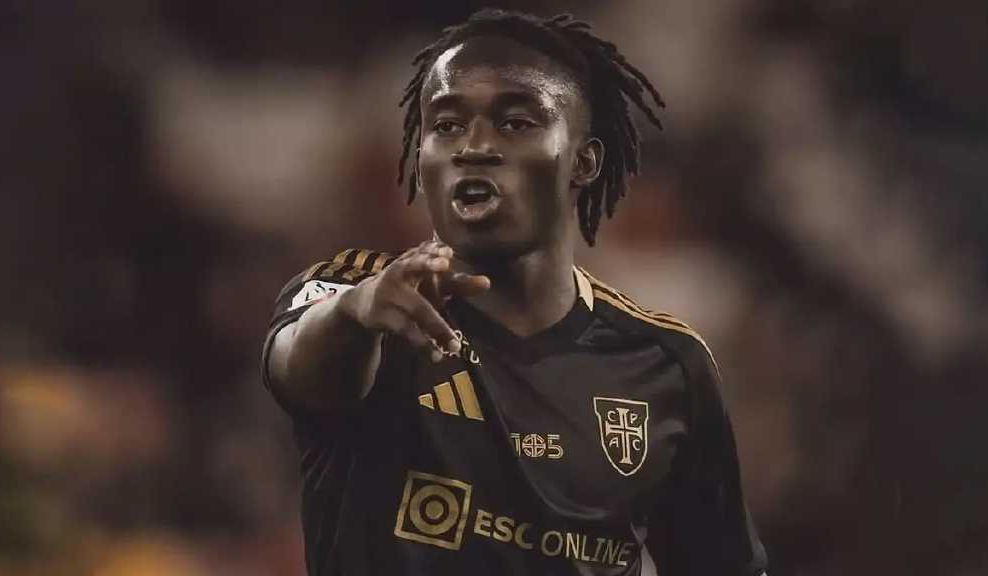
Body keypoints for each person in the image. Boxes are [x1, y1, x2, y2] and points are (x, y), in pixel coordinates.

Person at [262, 9, 767, 576]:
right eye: (446, 125)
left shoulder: (666, 363)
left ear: (583, 161)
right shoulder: (360, 298)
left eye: (516, 122)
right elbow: (299, 371)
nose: (473, 146)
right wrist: (356, 315)